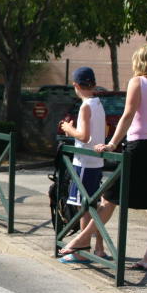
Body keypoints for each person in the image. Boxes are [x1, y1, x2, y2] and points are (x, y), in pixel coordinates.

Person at [60, 45, 147, 271]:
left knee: (110, 199)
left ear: (139, 62)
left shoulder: (137, 82)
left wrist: (112, 143)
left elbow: (128, 115)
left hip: (138, 146)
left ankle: (80, 241)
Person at [57, 67, 107, 264]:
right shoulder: (98, 103)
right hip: (95, 162)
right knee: (92, 207)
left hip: (84, 162)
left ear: (76, 85)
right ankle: (99, 248)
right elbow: (101, 130)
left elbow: (84, 136)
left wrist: (69, 129)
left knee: (84, 207)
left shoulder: (85, 106)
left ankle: (81, 249)